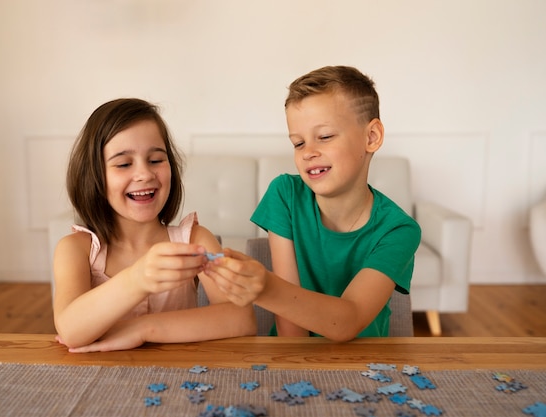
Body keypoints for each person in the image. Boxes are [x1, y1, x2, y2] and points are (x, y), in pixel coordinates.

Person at [204, 66, 421, 340]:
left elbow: (350, 319)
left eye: (325, 137)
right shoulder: (285, 194)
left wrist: (264, 288)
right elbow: (290, 330)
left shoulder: (399, 231)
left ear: (372, 137)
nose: (308, 153)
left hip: (362, 365)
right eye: (298, 143)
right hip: (293, 357)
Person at [53, 98, 257, 352]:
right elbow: (71, 331)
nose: (145, 174)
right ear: (94, 176)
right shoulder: (76, 249)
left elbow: (242, 320)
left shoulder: (195, 239)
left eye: (156, 160)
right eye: (124, 164)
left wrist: (142, 329)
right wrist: (137, 279)